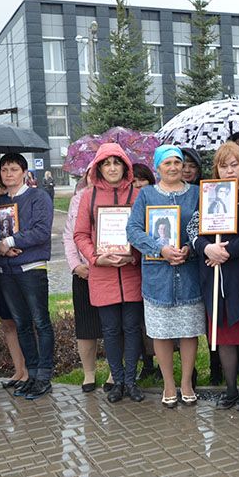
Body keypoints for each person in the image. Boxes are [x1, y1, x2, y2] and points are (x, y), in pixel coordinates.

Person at [127, 145, 204, 408]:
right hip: (158, 275)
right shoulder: (146, 194)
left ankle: (186, 382)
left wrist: (190, 247)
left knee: (188, 331)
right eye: (167, 163)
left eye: (177, 162)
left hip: (189, 271)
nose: (173, 167)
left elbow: (204, 226)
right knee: (161, 332)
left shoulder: (196, 193)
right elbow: (133, 229)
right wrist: (159, 248)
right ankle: (168, 383)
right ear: (158, 167)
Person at [188, 142, 239, 410]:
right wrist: (207, 247)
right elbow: (193, 230)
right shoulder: (208, 194)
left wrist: (229, 251)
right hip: (213, 274)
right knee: (225, 334)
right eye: (223, 165)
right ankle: (230, 390)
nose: (229, 170)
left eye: (235, 164)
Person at [74, 144, 145, 403]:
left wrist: (134, 255)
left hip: (131, 272)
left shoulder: (138, 195)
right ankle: (116, 381)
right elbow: (80, 234)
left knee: (132, 328)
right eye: (107, 163)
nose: (112, 168)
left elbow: (144, 232)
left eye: (117, 163)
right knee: (111, 330)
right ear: (99, 168)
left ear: (126, 166)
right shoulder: (88, 196)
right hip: (102, 274)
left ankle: (131, 382)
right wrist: (95, 257)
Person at [0, 153, 56, 400]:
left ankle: (44, 375)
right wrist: (0, 246)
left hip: (31, 268)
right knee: (21, 324)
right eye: (4, 169)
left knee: (40, 321)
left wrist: (8, 241)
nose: (8, 174)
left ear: (24, 172)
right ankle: (30, 374)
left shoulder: (38, 197)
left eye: (13, 169)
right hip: (5, 271)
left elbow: (41, 231)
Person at [62, 172, 111, 393]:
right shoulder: (78, 198)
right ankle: (89, 373)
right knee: (86, 328)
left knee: (112, 326)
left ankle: (114, 372)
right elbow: (69, 235)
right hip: (83, 271)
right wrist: (75, 265)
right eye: (92, 171)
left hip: (110, 269)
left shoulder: (116, 196)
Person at [0, 172, 25, 387]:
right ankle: (18, 369)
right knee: (8, 323)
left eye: (2, 186)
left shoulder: (27, 200)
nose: (1, 191)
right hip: (0, 269)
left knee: (23, 323)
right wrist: (0, 248)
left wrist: (10, 245)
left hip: (21, 265)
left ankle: (27, 370)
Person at [131, 162, 160, 383]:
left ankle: (161, 361)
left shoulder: (158, 200)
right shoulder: (125, 203)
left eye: (142, 179)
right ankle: (147, 362)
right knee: (140, 320)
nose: (138, 184)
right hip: (132, 267)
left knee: (158, 318)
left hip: (157, 265)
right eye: (133, 180)